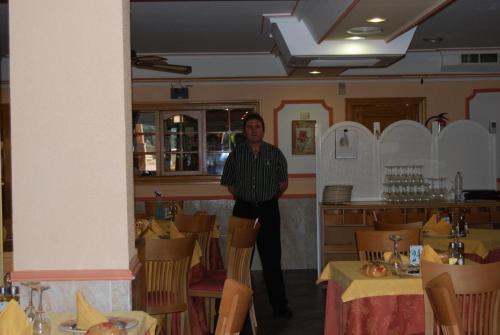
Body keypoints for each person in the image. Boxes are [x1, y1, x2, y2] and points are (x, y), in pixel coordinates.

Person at [221, 112, 292, 318]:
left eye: (257, 126)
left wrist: (266, 198)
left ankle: (280, 305)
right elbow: (230, 183)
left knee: (272, 260)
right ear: (245, 131)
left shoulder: (275, 153)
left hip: (268, 210)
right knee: (240, 261)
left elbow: (282, 183)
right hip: (243, 211)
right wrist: (246, 198)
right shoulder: (236, 154)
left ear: (263, 130)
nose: (253, 130)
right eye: (250, 127)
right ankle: (236, 306)